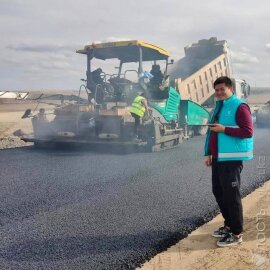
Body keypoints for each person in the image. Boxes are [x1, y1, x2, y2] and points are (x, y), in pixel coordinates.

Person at [204, 76, 253, 247]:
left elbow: (248, 131)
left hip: (231, 159)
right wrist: (208, 153)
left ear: (230, 89)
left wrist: (224, 129)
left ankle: (237, 233)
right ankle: (229, 224)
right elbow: (211, 132)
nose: (219, 93)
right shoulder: (219, 106)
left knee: (232, 196)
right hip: (218, 157)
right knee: (218, 191)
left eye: (222, 89)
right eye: (216, 90)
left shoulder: (240, 106)